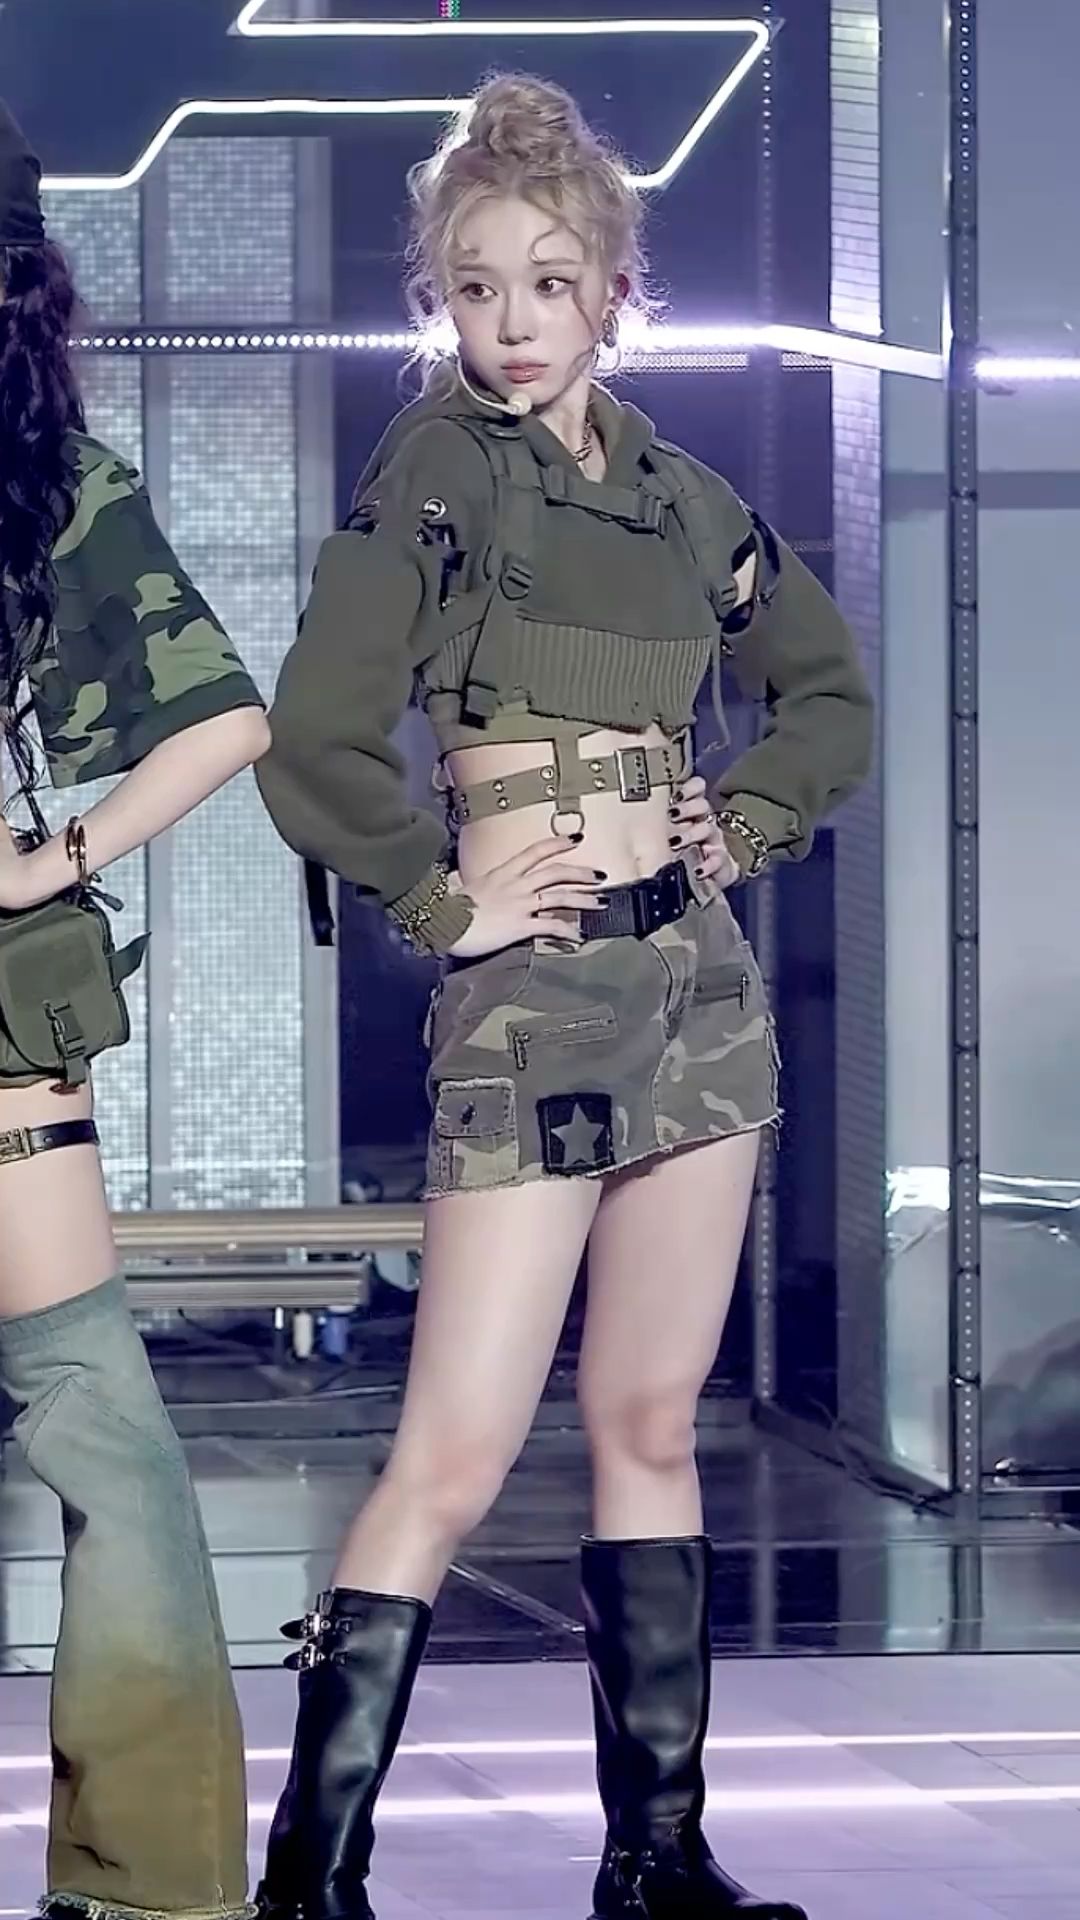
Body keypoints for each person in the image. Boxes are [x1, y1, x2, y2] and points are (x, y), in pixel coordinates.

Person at [254, 74, 873, 1920]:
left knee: (653, 1423)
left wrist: (747, 816)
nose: (511, 323)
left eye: (546, 281)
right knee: (453, 1450)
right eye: (474, 287)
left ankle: (656, 1859)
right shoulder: (434, 471)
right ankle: (313, 1875)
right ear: (438, 299)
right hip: (531, 1001)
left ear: (614, 287)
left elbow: (829, 694)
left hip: (699, 987)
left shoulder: (686, 499)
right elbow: (315, 733)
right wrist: (443, 902)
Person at [0, 100, 269, 1920]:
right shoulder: (49, 477)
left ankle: (157, 1876)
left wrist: (52, 856)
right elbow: (229, 714)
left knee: (92, 1395)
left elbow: (232, 718)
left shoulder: (54, 484)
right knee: (92, 1402)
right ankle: (151, 1883)